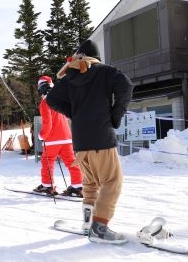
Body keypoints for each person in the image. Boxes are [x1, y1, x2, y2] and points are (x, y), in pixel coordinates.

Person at [46, 39, 133, 244]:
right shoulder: (105, 71)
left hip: (80, 142)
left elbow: (51, 99)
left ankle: (88, 222)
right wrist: (116, 115)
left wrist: (75, 114)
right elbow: (126, 87)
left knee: (91, 183)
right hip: (101, 138)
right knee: (112, 182)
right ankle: (100, 227)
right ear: (96, 58)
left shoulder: (70, 77)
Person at [34, 76, 83, 197]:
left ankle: (47, 185)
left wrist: (41, 135)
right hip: (66, 137)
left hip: (52, 140)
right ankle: (77, 186)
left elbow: (48, 123)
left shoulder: (45, 103)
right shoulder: (60, 100)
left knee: (47, 160)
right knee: (71, 161)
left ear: (41, 89)